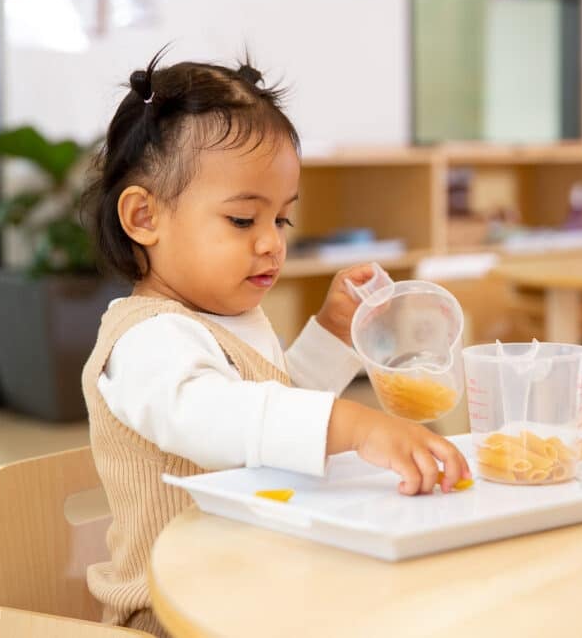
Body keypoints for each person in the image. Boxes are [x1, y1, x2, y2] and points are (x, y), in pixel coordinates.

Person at [78, 50, 470, 635]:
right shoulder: (144, 340)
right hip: (174, 611)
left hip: (256, 587)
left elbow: (277, 415)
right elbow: (225, 425)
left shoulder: (234, 319)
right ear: (143, 217)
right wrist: (354, 426)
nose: (271, 243)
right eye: (243, 220)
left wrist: (333, 332)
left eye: (281, 220)